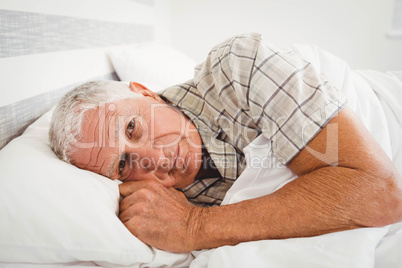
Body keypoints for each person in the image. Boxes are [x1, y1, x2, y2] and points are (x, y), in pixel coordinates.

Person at [49, 33, 402, 252]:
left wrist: (195, 226)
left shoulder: (237, 67)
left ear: (145, 92)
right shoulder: (161, 202)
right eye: (124, 164)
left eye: (132, 128)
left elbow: (381, 193)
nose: (152, 160)